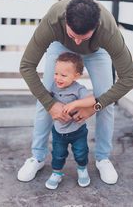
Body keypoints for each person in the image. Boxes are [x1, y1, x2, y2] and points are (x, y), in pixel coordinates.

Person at [17, 0, 133, 184]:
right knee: (44, 98)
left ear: (96, 26)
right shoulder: (52, 22)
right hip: (61, 46)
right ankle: (37, 157)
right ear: (65, 20)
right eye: (74, 36)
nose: (78, 43)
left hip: (98, 50)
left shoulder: (108, 30)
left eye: (84, 37)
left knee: (107, 103)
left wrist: (95, 106)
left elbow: (130, 77)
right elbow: (26, 66)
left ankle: (102, 158)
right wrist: (50, 104)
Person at [45, 52, 95, 189]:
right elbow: (45, 97)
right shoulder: (53, 87)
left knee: (81, 152)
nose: (58, 78)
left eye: (63, 75)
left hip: (77, 131)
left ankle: (82, 170)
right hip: (59, 131)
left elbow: (92, 100)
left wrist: (74, 104)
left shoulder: (78, 89)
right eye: (56, 73)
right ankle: (56, 173)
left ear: (76, 76)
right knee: (58, 154)